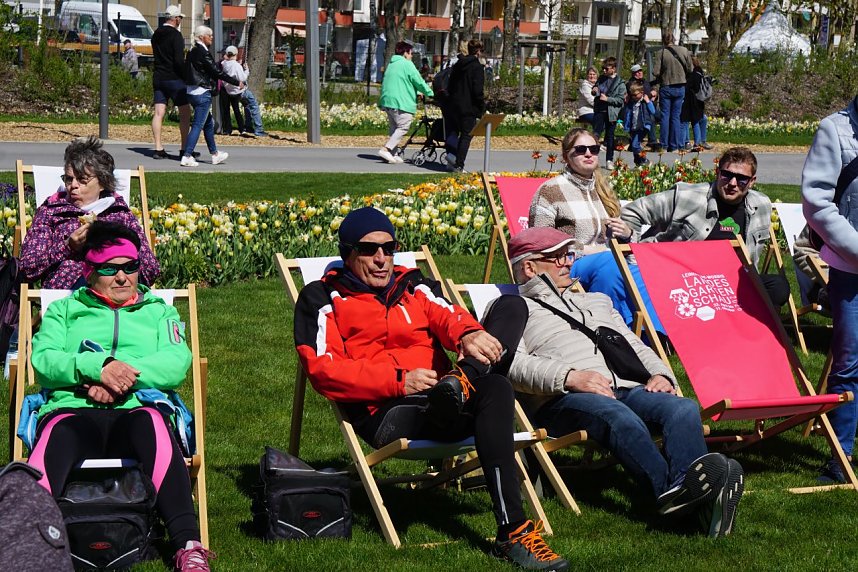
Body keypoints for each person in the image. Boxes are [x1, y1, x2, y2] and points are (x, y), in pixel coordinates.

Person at [294, 207, 569, 571]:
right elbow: (323, 370)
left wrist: (468, 334)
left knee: (510, 313)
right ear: (348, 253)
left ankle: (513, 532)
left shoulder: (413, 285)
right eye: (369, 249)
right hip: (390, 411)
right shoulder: (322, 297)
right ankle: (465, 383)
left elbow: (447, 314)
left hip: (446, 396)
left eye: (389, 248)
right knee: (495, 387)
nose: (382, 259)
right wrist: (398, 381)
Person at [500, 226, 744, 537]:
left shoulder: (596, 301)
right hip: (563, 399)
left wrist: (661, 373)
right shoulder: (511, 308)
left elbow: (634, 344)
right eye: (557, 257)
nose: (568, 262)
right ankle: (676, 496)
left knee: (682, 408)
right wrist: (570, 377)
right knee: (619, 417)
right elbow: (509, 363)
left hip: (624, 387)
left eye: (568, 255)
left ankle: (687, 492)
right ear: (529, 267)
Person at [26, 221, 213, 571]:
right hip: (76, 408)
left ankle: (188, 545)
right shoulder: (63, 310)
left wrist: (118, 377)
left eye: (130, 266)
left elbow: (175, 363)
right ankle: (25, 541)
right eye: (110, 269)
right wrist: (97, 367)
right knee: (59, 430)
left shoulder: (159, 311)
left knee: (153, 423)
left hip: (137, 408)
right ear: (89, 271)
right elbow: (44, 360)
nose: (123, 277)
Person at [528, 127, 665, 335]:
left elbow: (624, 244)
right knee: (610, 264)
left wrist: (627, 234)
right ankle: (616, 333)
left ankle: (654, 335)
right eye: (580, 149)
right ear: (566, 156)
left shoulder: (603, 190)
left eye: (593, 149)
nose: (588, 153)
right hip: (567, 265)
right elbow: (539, 243)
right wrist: (582, 250)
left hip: (606, 262)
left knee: (635, 269)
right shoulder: (550, 191)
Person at [621, 146, 790, 307]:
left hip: (731, 282)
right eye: (727, 175)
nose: (732, 183)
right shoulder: (687, 197)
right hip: (684, 278)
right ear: (718, 173)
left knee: (778, 287)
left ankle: (746, 322)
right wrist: (634, 256)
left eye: (741, 179)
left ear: (752, 182)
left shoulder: (761, 205)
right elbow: (632, 212)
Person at [802, 96, 858, 483]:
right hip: (851, 268)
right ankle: (842, 455)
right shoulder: (835, 130)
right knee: (850, 360)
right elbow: (816, 203)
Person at [20, 137, 159, 288]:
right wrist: (67, 246)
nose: (73, 185)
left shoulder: (120, 214)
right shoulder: (51, 211)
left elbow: (151, 270)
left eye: (82, 179)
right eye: (69, 179)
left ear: (103, 182)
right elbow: (28, 268)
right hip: (69, 293)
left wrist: (119, 250)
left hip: (118, 288)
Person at [182, 25, 241, 167]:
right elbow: (216, 72)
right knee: (197, 125)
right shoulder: (203, 53)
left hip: (191, 91)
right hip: (202, 92)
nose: (212, 38)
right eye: (210, 35)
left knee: (208, 124)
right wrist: (236, 82)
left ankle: (215, 154)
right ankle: (187, 155)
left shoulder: (192, 51)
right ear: (202, 37)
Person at [377, 41, 434, 164]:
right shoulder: (407, 64)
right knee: (403, 127)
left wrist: (416, 92)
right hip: (401, 102)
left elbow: (402, 82)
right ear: (405, 53)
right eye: (410, 53)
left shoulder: (392, 64)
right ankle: (386, 149)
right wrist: (430, 93)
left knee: (394, 128)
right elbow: (418, 81)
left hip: (388, 101)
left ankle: (393, 153)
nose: (411, 56)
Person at [150, 5, 191, 160]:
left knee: (159, 113)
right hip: (174, 78)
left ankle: (158, 147)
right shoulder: (176, 35)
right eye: (180, 18)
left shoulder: (156, 34)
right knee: (185, 112)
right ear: (175, 18)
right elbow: (179, 60)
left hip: (158, 76)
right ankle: (184, 148)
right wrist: (186, 76)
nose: (180, 20)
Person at [447, 39, 486, 173]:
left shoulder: (458, 64)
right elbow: (477, 91)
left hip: (454, 105)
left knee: (454, 132)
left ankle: (451, 157)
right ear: (478, 51)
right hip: (468, 107)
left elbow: (450, 85)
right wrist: (481, 107)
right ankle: (459, 164)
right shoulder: (477, 67)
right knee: (466, 135)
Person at [651, 31, 692, 152]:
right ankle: (674, 145)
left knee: (665, 116)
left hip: (667, 86)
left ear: (663, 40)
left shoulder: (661, 52)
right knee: (676, 117)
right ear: (674, 39)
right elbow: (690, 68)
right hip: (680, 86)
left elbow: (655, 72)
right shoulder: (684, 50)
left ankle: (664, 145)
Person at [220, 45, 267, 137]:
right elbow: (242, 78)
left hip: (230, 91)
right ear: (236, 54)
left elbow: (231, 69)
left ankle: (248, 126)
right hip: (240, 91)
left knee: (247, 105)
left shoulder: (224, 64)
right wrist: (246, 70)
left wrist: (239, 64)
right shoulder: (236, 66)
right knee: (254, 105)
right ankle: (259, 129)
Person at [591, 56, 626, 171]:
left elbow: (620, 100)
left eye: (607, 68)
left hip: (611, 113)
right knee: (596, 134)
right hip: (599, 110)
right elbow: (596, 88)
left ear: (614, 69)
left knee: (610, 137)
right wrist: (594, 90)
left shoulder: (620, 83)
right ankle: (592, 158)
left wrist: (608, 99)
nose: (604, 70)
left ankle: (609, 160)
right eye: (603, 68)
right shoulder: (601, 78)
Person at [680, 57, 713, 151]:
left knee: (688, 121)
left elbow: (687, 88)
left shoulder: (691, 75)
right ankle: (700, 142)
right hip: (700, 101)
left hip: (691, 102)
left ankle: (691, 143)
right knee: (700, 119)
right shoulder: (701, 73)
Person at [622, 83, 656, 166]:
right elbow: (626, 113)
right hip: (633, 126)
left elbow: (653, 111)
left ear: (642, 92)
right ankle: (638, 163)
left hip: (642, 126)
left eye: (635, 95)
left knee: (635, 145)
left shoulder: (644, 101)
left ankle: (645, 160)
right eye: (632, 95)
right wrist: (626, 103)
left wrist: (648, 101)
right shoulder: (631, 102)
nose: (633, 97)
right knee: (634, 147)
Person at [625, 64, 659, 148]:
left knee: (655, 117)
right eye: (637, 72)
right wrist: (650, 94)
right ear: (633, 74)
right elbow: (640, 95)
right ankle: (651, 141)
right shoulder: (631, 83)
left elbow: (648, 92)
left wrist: (654, 93)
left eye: (640, 71)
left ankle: (650, 141)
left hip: (647, 106)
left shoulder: (645, 82)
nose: (640, 73)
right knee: (649, 119)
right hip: (637, 108)